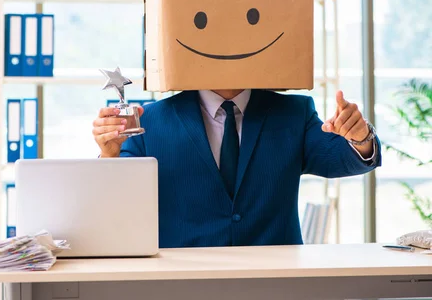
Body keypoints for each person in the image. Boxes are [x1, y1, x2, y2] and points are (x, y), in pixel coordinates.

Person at [92, 88, 381, 248]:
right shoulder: (152, 119)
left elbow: (345, 158)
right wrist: (109, 154)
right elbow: (118, 204)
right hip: (183, 284)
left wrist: (360, 137)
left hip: (277, 283)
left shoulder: (294, 112)